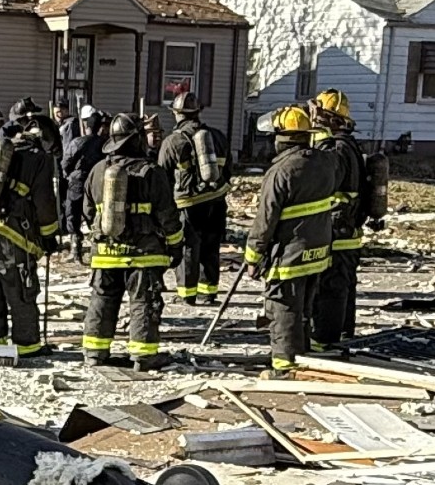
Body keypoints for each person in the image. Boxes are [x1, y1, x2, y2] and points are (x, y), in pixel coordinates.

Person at [243, 105, 337, 376]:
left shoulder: (281, 171)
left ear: (281, 137)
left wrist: (253, 256)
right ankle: (302, 354)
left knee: (282, 307)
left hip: (290, 253)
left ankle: (284, 365)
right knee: (304, 307)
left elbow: (265, 221)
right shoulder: (325, 162)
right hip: (318, 250)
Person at [0, 98, 59, 356]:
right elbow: (44, 202)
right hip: (13, 236)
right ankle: (27, 346)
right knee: (20, 289)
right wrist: (50, 236)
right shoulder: (39, 159)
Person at [82, 113, 180, 370]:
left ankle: (95, 353)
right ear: (136, 140)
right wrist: (176, 245)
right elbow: (168, 216)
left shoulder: (97, 171)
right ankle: (144, 355)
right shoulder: (152, 172)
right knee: (144, 303)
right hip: (143, 254)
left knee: (102, 300)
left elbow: (88, 211)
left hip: (105, 252)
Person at [307, 88, 388, 352]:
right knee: (344, 288)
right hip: (349, 231)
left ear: (330, 119)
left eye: (319, 116)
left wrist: (318, 136)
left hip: (337, 230)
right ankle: (343, 332)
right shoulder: (351, 145)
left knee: (330, 289)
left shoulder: (337, 149)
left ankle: (324, 340)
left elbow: (326, 180)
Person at [158, 89, 231, 305]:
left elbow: (162, 178)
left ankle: (187, 295)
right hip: (216, 201)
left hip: (187, 204)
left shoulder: (172, 142)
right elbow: (228, 170)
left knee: (188, 248)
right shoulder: (218, 136)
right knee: (211, 246)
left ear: (177, 114)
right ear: (198, 112)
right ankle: (209, 293)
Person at [60, 106, 106, 258]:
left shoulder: (77, 142)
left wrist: (68, 175)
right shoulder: (105, 144)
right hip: (97, 182)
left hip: (78, 181)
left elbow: (66, 162)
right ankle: (96, 244)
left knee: (73, 212)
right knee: (94, 214)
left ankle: (76, 247)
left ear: (86, 125)